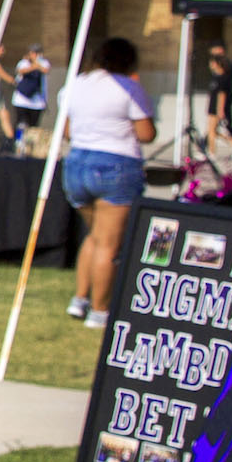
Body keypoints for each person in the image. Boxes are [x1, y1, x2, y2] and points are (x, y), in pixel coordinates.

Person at [62, 36, 156, 329]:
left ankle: (80, 299)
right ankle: (100, 312)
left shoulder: (75, 84)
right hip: (115, 164)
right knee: (108, 245)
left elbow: (67, 130)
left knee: (94, 235)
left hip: (76, 164)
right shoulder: (128, 87)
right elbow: (146, 133)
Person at [12, 44, 51, 152]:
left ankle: (30, 147)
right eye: (33, 53)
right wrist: (34, 65)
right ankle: (18, 144)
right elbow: (21, 71)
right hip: (21, 100)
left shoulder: (44, 62)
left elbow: (45, 70)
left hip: (36, 101)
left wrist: (37, 64)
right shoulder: (23, 63)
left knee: (34, 126)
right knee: (21, 123)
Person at [206, 43, 232, 158]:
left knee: (212, 131)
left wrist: (220, 110)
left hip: (216, 108)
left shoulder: (223, 78)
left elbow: (222, 95)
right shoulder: (215, 77)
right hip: (212, 107)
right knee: (212, 131)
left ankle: (211, 152)